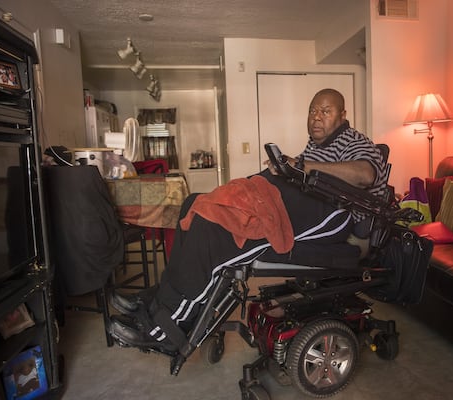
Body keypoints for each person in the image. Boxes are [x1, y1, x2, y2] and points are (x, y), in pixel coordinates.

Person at [108, 88, 389, 354]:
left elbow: (364, 175)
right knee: (193, 205)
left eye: (326, 111)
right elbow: (300, 174)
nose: (316, 116)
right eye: (313, 110)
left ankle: (167, 329)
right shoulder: (315, 147)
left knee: (214, 229)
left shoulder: (356, 141)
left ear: (343, 115)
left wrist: (300, 166)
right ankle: (158, 301)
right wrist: (283, 169)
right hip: (295, 204)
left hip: (333, 216)